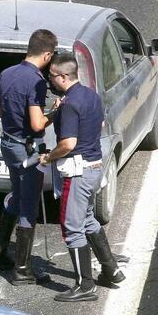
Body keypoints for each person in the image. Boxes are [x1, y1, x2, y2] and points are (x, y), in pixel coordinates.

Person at [41, 53, 125, 301]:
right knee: (88, 219)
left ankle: (85, 285)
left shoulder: (69, 104)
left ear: (63, 76)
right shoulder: (90, 95)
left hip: (77, 172)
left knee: (71, 228)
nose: (50, 80)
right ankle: (111, 270)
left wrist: (49, 158)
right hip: (95, 167)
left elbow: (67, 143)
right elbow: (95, 125)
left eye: (52, 76)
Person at [0, 29, 58, 284]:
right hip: (28, 150)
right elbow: (38, 124)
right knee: (29, 206)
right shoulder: (36, 82)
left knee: (16, 197)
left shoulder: (7, 73)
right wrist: (54, 114)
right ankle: (22, 269)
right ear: (48, 54)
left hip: (7, 144)